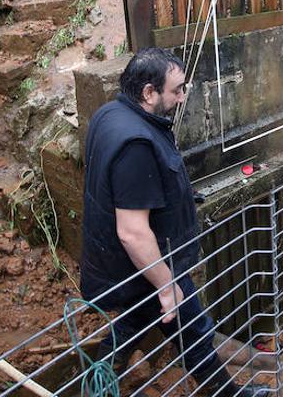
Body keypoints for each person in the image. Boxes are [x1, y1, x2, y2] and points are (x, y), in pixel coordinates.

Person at [80, 48, 267, 397]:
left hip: (124, 266)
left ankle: (97, 383)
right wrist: (167, 286)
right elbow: (133, 232)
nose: (182, 97)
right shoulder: (135, 143)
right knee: (192, 327)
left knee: (136, 323)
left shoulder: (111, 114)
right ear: (148, 93)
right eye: (177, 90)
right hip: (145, 265)